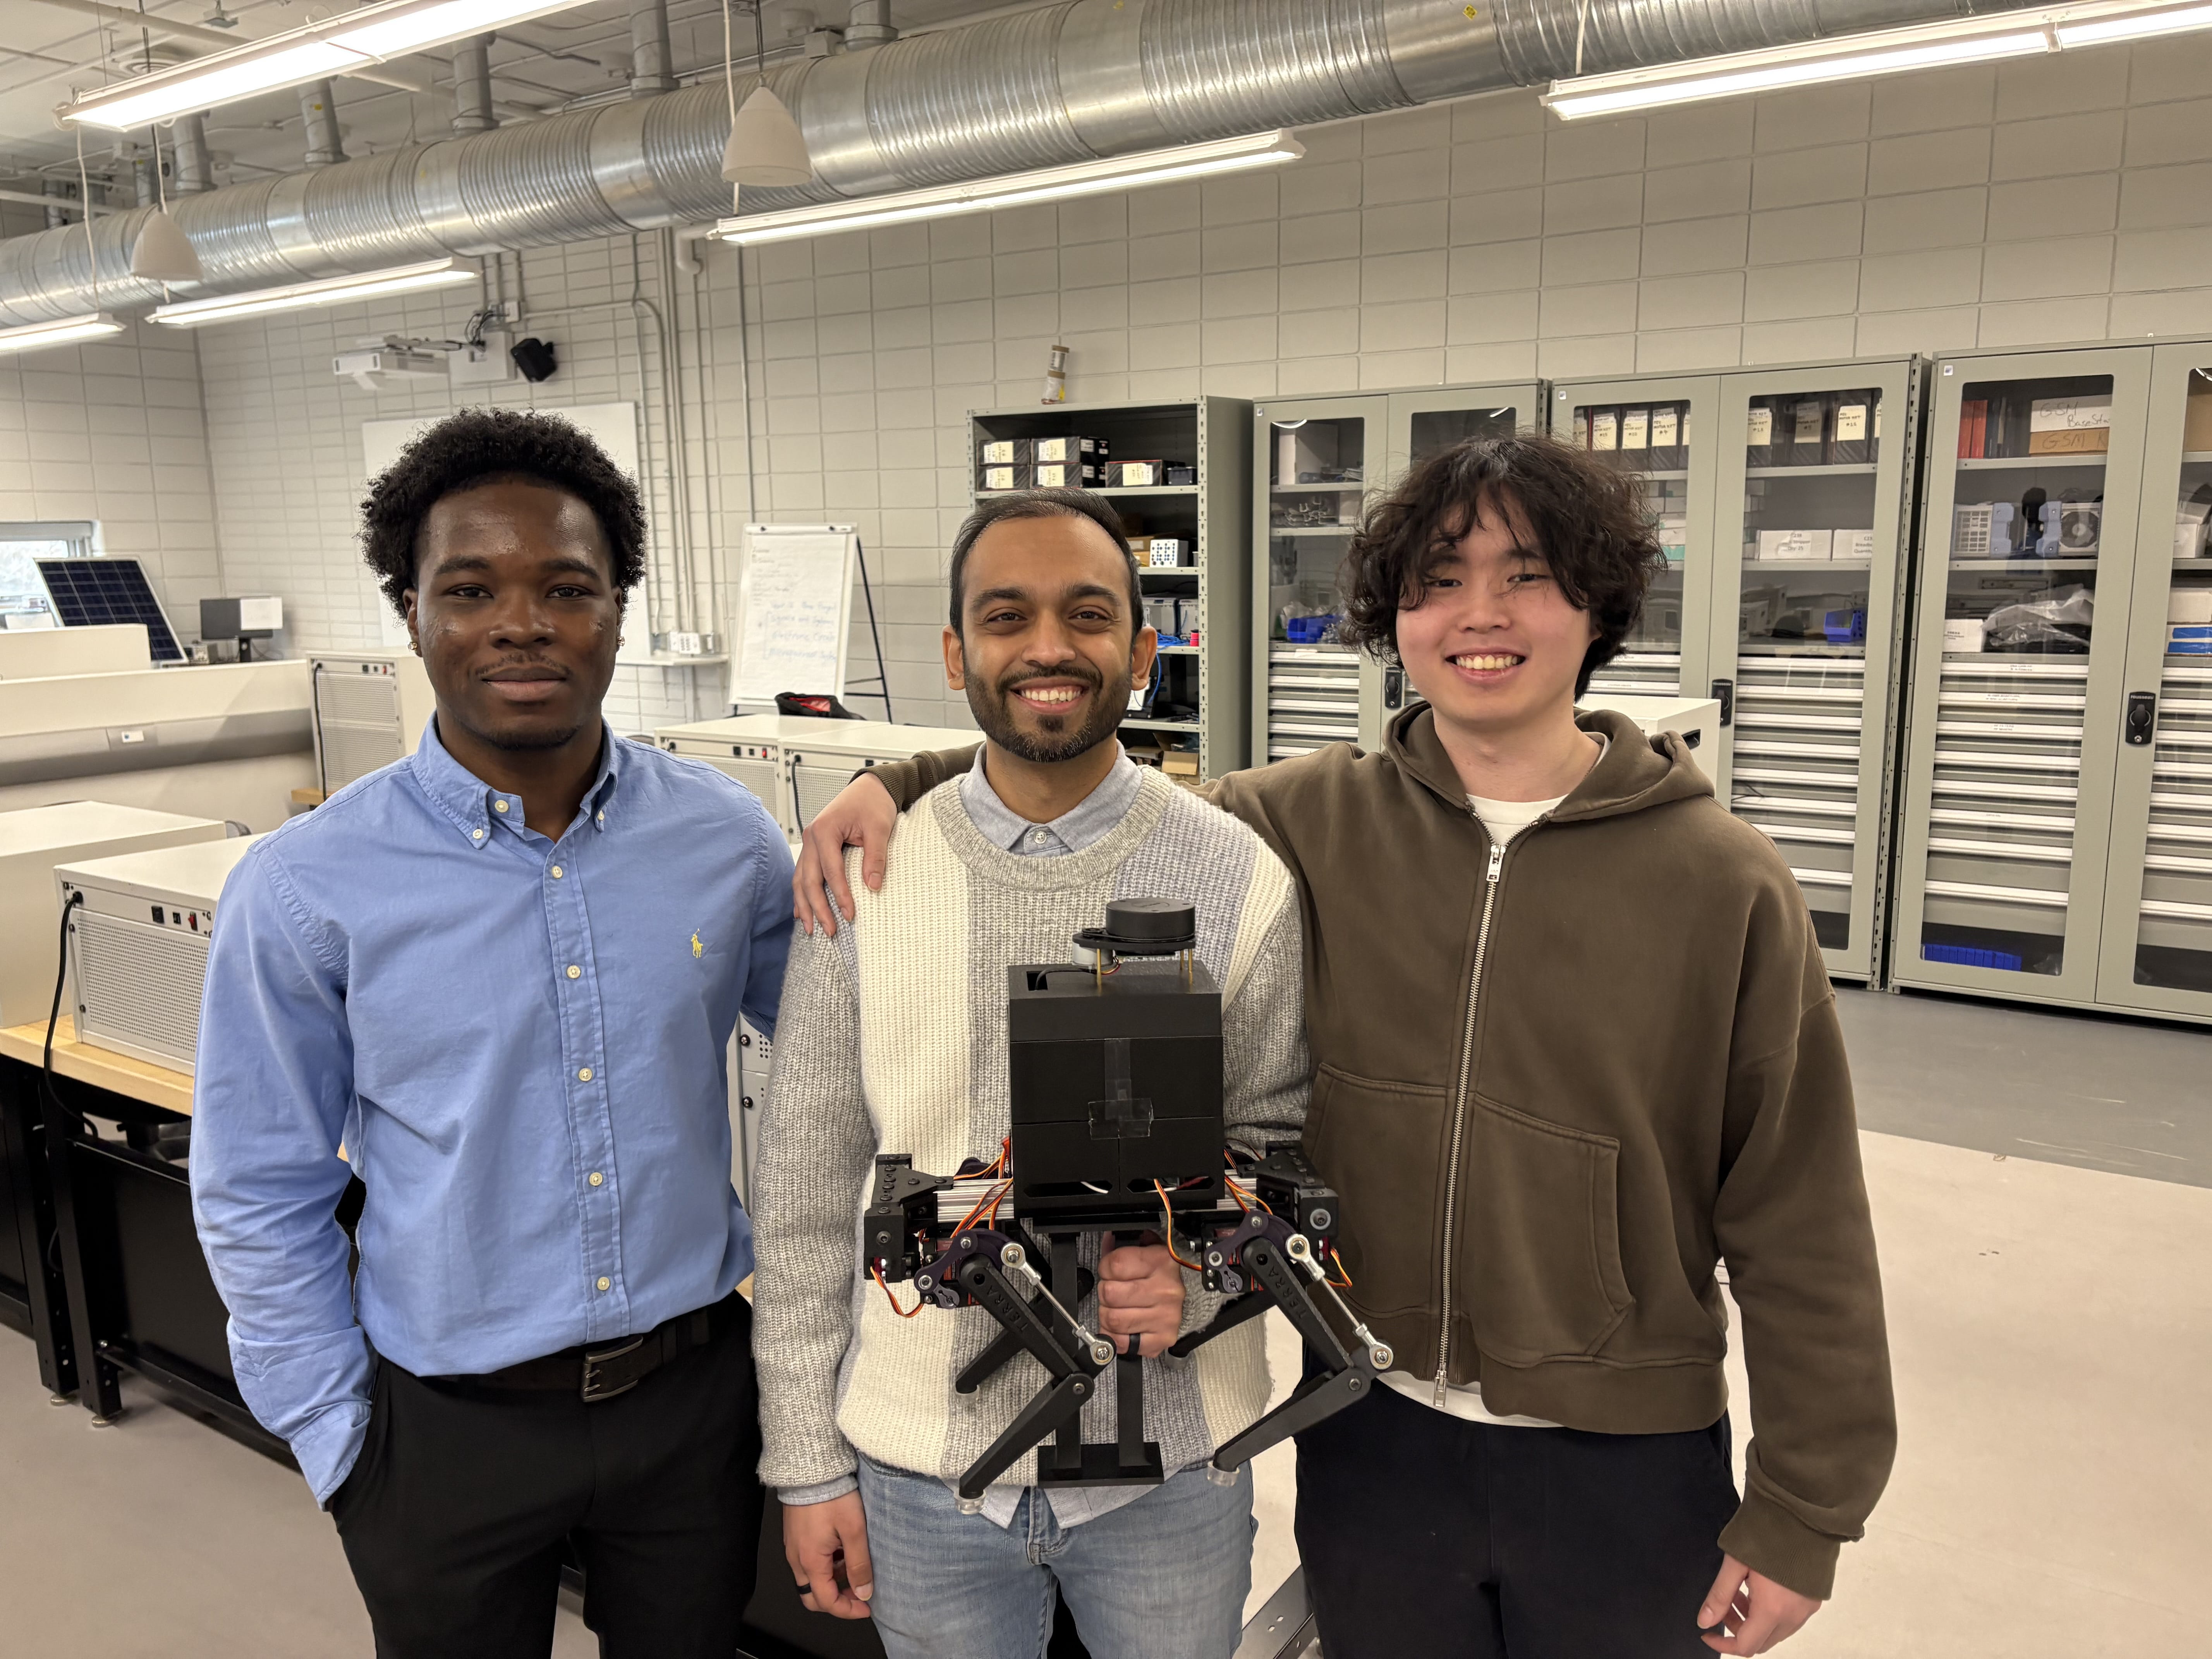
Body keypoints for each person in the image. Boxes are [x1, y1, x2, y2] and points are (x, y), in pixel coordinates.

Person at [791, 436, 1897, 1659]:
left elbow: (1805, 1223)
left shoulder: (1722, 883)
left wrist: (1805, 1508)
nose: (1480, 615)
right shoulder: (1303, 821)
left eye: (1526, 575)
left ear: (1599, 605)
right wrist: (899, 778)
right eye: (1437, 579)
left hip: (1622, 1452)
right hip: (1375, 1437)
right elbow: (1069, 775)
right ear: (1396, 618)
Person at [191, 408, 794, 1659]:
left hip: (690, 1405)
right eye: (469, 588)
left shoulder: (726, 840)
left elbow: (853, 1064)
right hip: (440, 1428)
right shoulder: (307, 885)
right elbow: (258, 1187)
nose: (522, 621)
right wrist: (338, 1437)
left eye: (567, 586)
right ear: (410, 612)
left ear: (618, 607)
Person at [751, 487, 1309, 1659]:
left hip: (1174, 1467)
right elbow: (803, 1203)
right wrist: (805, 1466)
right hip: (919, 1470)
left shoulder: (1238, 875)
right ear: (957, 650)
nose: (1048, 647)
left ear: (1143, 652)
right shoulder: (863, 877)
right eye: (1007, 616)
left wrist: (1196, 1281)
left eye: (1087, 614)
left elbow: (1277, 1148)